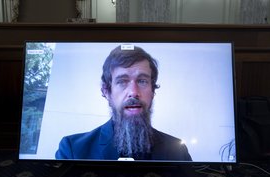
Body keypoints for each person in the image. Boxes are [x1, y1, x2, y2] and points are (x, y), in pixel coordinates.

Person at [55, 45, 192, 161]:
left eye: (142, 81)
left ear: (152, 91)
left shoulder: (178, 152)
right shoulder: (73, 150)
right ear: (107, 92)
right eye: (122, 81)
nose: (133, 92)